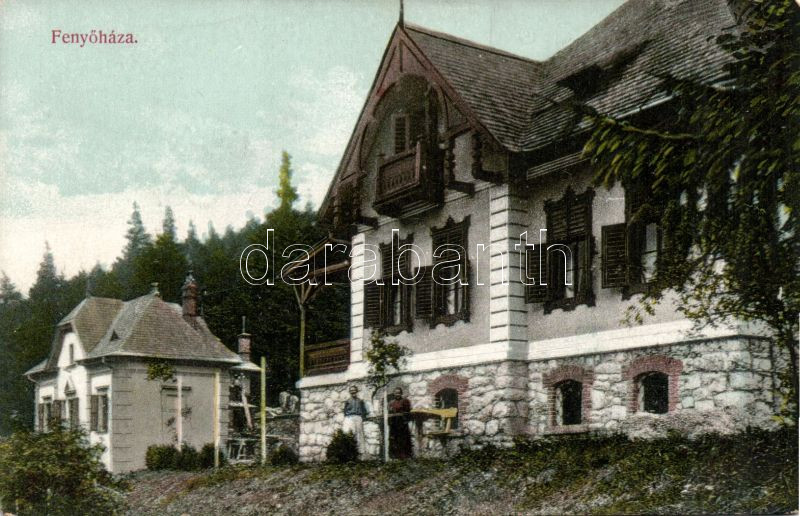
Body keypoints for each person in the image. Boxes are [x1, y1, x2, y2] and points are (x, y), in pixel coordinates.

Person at [342, 385, 368, 456]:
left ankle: (360, 452)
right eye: (351, 391)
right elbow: (345, 411)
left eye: (354, 390)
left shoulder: (360, 401)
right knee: (351, 433)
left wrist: (362, 416)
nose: (353, 392)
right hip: (350, 418)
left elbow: (364, 411)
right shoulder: (347, 401)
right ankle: (350, 452)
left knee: (359, 434)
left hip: (358, 417)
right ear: (349, 392)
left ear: (357, 391)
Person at [388, 387, 413, 459]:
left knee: (403, 439)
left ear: (401, 393)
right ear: (394, 394)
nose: (397, 394)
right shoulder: (391, 403)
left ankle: (404, 456)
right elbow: (389, 412)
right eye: (396, 393)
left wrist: (405, 419)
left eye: (399, 393)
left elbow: (408, 412)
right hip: (394, 423)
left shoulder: (405, 401)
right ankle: (395, 456)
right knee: (394, 439)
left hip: (402, 423)